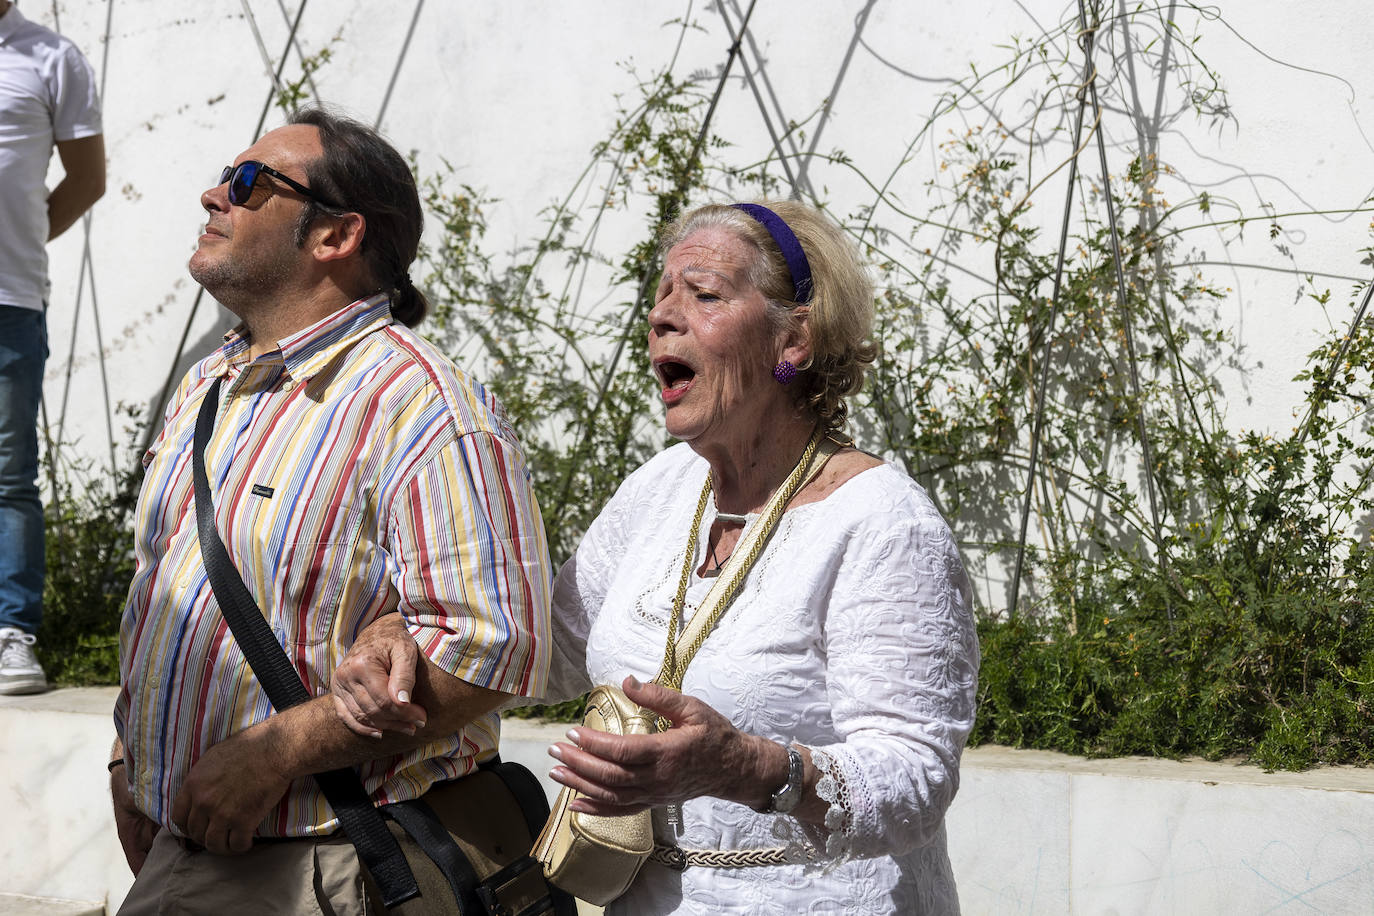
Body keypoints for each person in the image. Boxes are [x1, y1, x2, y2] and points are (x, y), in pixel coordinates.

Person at [334, 199, 981, 913]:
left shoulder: (882, 523)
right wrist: (400, 626)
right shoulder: (662, 488)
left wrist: (746, 766)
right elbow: (539, 652)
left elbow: (916, 780)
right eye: (661, 296)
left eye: (703, 295)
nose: (663, 315)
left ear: (793, 338)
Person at [108, 107, 553, 913]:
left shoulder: (422, 406)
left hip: (332, 865)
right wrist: (128, 758)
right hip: (185, 846)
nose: (214, 195)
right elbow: (165, 588)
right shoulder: (210, 384)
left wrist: (275, 754)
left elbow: (495, 646)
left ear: (334, 237)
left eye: (247, 184)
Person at [0, 0, 105, 695]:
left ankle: (13, 634)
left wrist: (27, 243)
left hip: (9, 296)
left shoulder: (51, 57)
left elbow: (88, 178)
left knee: (7, 476)